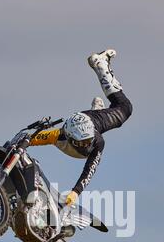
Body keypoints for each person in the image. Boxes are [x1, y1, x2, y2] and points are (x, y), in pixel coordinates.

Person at [24, 49, 132, 205]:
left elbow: (91, 168)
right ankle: (98, 107)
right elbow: (31, 139)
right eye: (83, 143)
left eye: (88, 141)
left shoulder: (97, 141)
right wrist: (15, 146)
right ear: (69, 137)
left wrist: (75, 192)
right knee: (125, 108)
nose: (87, 145)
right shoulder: (58, 135)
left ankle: (100, 65)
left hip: (91, 120)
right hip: (79, 127)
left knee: (125, 109)